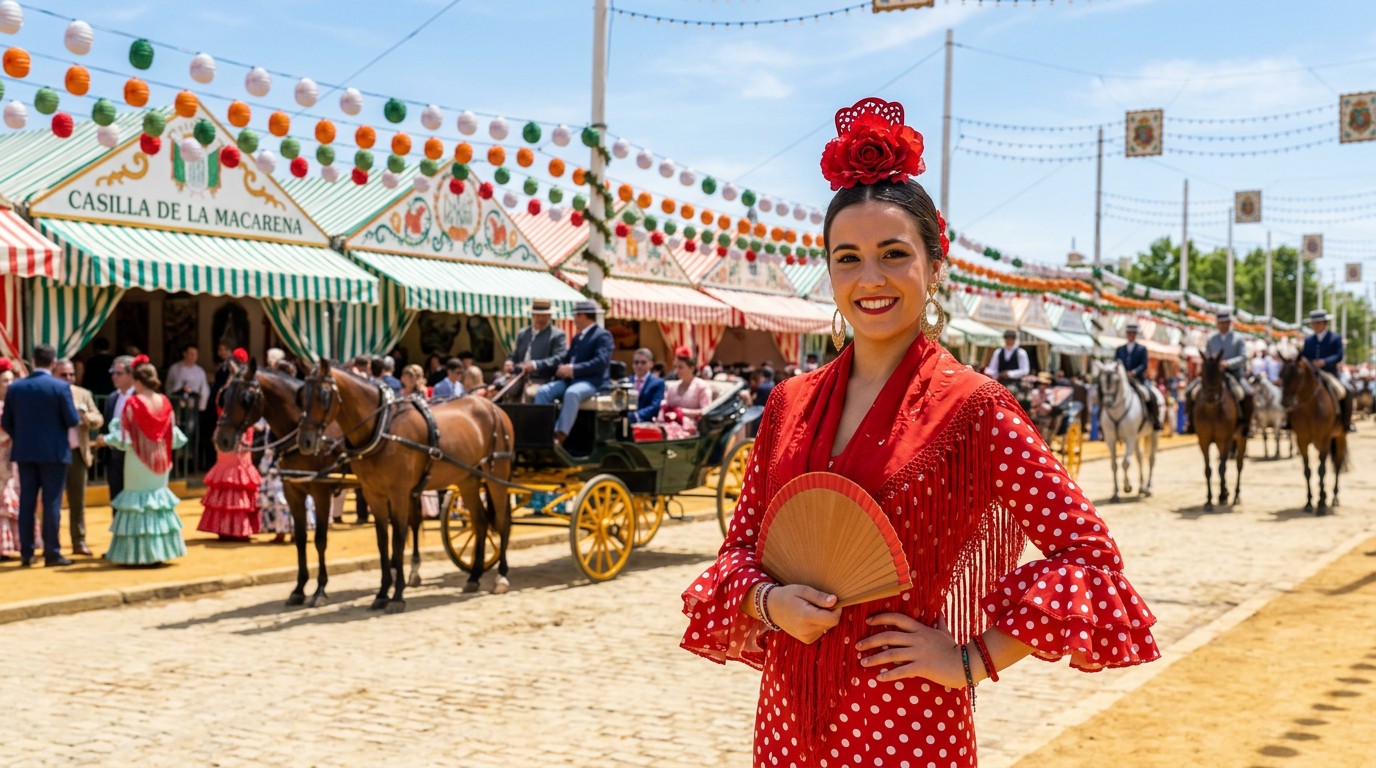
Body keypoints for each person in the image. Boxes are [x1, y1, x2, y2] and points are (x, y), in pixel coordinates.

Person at [680, 97, 1157, 766]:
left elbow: (1090, 559)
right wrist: (767, 601)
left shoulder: (975, 410)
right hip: (789, 717)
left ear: (935, 267)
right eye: (847, 258)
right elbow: (738, 553)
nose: (869, 279)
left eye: (893, 254)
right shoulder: (789, 403)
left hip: (907, 717)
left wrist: (970, 657)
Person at [100, 355, 188, 565]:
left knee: (136, 503)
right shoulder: (165, 402)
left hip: (138, 460)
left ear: (137, 381)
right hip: (160, 459)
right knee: (157, 502)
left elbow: (123, 438)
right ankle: (159, 552)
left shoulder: (133, 403)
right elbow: (173, 434)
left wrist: (106, 439)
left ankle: (137, 554)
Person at [3, 344, 81, 567]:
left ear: (33, 361)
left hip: (26, 452)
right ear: (53, 363)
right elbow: (72, 420)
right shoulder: (59, 387)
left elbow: (7, 421)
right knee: (51, 503)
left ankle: (27, 552)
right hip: (54, 452)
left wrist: (22, 437)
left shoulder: (17, 388)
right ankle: (52, 552)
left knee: (27, 501)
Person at [196, 348, 262, 542]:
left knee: (235, 474)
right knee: (231, 473)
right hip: (228, 431)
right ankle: (230, 527)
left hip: (235, 432)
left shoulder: (235, 388)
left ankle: (232, 527)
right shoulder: (231, 388)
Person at [534, 300, 613, 445]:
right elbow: (569, 358)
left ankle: (560, 434)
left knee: (572, 393)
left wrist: (573, 369)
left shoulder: (603, 335)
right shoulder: (578, 337)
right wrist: (562, 368)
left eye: (575, 316)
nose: (574, 319)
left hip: (592, 381)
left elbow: (600, 362)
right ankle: (542, 431)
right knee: (543, 391)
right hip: (572, 379)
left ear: (582, 316)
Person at [55, 359, 103, 556]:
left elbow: (98, 418)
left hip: (77, 453)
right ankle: (52, 543)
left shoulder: (83, 394)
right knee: (52, 502)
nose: (68, 378)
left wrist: (85, 417)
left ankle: (79, 540)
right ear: (54, 374)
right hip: (54, 453)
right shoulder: (50, 393)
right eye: (63, 375)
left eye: (71, 374)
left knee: (78, 501)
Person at [1185, 311, 1254, 435]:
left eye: (1226, 323)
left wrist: (1228, 363)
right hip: (1214, 375)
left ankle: (1246, 424)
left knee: (1248, 393)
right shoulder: (1212, 339)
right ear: (1217, 324)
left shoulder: (1238, 339)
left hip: (1233, 373)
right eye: (1221, 323)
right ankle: (1191, 422)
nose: (1224, 325)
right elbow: (1207, 355)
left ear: (1230, 323)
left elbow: (1243, 357)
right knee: (1191, 391)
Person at [1300, 309, 1354, 433]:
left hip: (1330, 373)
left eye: (1317, 323)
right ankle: (1291, 421)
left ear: (1324, 323)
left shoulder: (1335, 338)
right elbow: (1305, 356)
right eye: (1313, 323)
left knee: (1348, 390)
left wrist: (1324, 361)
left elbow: (1339, 355)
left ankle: (1347, 423)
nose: (1314, 326)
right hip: (1312, 374)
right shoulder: (1309, 340)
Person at [504, 299, 569, 398]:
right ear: (532, 315)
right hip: (519, 375)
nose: (540, 319)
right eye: (537, 315)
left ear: (549, 317)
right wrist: (509, 362)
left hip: (543, 378)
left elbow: (559, 357)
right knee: (501, 388)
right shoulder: (523, 333)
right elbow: (515, 354)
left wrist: (535, 365)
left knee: (530, 393)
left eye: (544, 316)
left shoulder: (557, 335)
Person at [656, 347, 714, 439]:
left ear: (691, 368)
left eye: (680, 367)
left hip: (693, 428)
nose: (676, 371)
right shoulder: (673, 387)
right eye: (675, 367)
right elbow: (666, 406)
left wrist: (683, 413)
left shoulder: (701, 386)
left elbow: (706, 411)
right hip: (671, 424)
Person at [1114, 322, 1161, 430]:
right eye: (1129, 333)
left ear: (1135, 334)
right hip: (1122, 380)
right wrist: (1122, 372)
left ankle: (1155, 420)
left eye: (1132, 333)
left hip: (1137, 379)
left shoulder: (1142, 349)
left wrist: (1134, 372)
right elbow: (1116, 363)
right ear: (1126, 334)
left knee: (1151, 395)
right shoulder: (1120, 349)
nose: (1130, 335)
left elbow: (1144, 365)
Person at [0, 360, 20, 560]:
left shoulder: (12, 406)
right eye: (5, 381)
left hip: (11, 461)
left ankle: (13, 543)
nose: (9, 384)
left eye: (11, 380)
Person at [630, 348, 665, 423]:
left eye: (643, 362)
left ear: (651, 364)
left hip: (646, 423)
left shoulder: (657, 383)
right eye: (636, 362)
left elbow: (655, 406)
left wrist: (637, 416)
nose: (639, 365)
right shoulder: (627, 381)